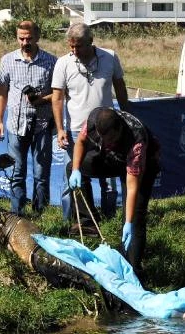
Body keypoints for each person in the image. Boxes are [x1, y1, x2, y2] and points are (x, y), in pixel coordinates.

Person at [51, 23, 129, 226]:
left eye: (78, 46)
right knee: (75, 174)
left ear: (91, 42)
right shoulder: (63, 63)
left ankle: (111, 219)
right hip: (77, 131)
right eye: (71, 46)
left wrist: (126, 115)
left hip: (107, 131)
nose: (74, 51)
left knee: (110, 181)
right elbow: (57, 98)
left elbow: (120, 86)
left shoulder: (110, 57)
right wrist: (60, 129)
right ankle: (79, 220)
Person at [68, 107, 160, 277]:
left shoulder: (136, 141)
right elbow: (80, 142)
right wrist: (75, 169)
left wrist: (128, 222)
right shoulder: (94, 121)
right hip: (115, 158)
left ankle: (133, 271)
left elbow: (132, 187)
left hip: (143, 168)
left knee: (135, 218)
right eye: (103, 139)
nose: (107, 142)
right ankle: (88, 222)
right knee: (74, 166)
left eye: (111, 138)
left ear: (119, 130)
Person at [0, 21, 57, 216]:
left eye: (29, 38)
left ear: (37, 37)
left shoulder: (51, 61)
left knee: (41, 174)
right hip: (16, 124)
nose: (24, 42)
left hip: (42, 124)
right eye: (21, 38)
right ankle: (17, 214)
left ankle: (41, 215)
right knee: (16, 171)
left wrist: (42, 100)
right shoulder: (7, 60)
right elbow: (2, 92)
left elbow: (59, 94)